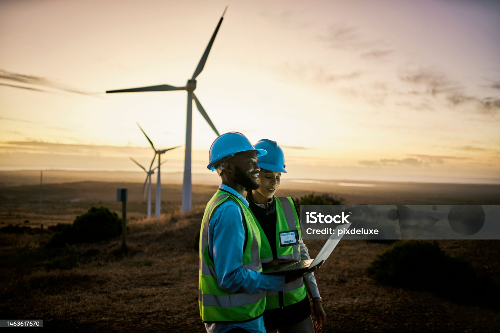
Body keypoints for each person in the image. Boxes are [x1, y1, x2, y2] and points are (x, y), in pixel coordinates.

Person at [199, 132, 311, 333]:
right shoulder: (230, 210)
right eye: (251, 161)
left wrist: (269, 264)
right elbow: (230, 277)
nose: (257, 168)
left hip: (244, 317)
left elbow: (240, 260)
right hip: (236, 322)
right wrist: (276, 280)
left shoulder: (232, 205)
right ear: (229, 167)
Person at [247, 139, 326, 333]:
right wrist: (266, 266)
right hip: (259, 308)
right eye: (268, 176)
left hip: (296, 305)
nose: (274, 183)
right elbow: (232, 264)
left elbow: (301, 253)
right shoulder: (239, 211)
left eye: (278, 176)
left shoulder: (288, 206)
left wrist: (315, 298)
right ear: (254, 174)